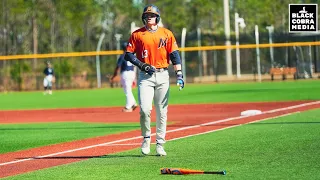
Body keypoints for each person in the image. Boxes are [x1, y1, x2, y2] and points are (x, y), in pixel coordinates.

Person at [124, 4, 184, 156]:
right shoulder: (137, 34)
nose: (149, 16)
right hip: (145, 77)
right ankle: (146, 138)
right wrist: (142, 65)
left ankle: (160, 144)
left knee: (162, 112)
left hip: (163, 75)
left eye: (152, 14)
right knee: (144, 110)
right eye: (147, 14)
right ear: (143, 17)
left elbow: (174, 55)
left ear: (157, 17)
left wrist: (179, 74)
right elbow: (128, 55)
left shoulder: (166, 33)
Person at [111, 42, 138, 112]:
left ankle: (128, 107)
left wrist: (114, 75)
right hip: (132, 73)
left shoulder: (122, 56)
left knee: (127, 90)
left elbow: (118, 67)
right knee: (128, 90)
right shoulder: (132, 55)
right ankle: (133, 103)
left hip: (126, 73)